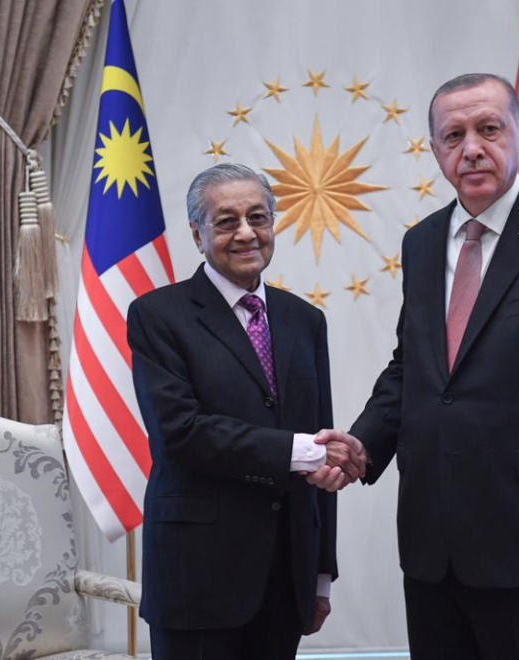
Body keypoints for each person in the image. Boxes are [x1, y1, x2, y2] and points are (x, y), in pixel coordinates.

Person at [319, 73, 519, 659]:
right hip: (434, 545)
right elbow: (413, 369)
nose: (471, 148)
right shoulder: (421, 243)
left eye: (488, 130)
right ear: (436, 149)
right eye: (453, 135)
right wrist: (364, 443)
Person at [127, 163, 364, 660]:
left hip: (286, 577)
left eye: (258, 218)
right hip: (198, 580)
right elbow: (180, 433)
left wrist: (320, 574)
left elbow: (320, 452)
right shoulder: (157, 316)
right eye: (226, 221)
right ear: (197, 233)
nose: (245, 234)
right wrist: (299, 450)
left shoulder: (304, 320)